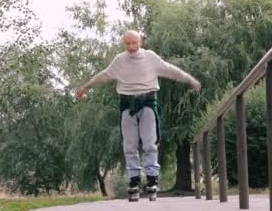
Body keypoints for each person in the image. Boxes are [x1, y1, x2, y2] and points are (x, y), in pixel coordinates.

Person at [76, 30, 201, 201]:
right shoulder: (119, 60)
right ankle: (134, 180)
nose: (131, 47)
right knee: (130, 145)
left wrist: (190, 80)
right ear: (123, 43)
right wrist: (86, 87)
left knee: (150, 143)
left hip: (148, 101)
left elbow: (170, 70)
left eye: (134, 43)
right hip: (126, 104)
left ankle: (152, 180)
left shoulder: (150, 57)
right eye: (127, 44)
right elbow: (104, 76)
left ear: (140, 42)